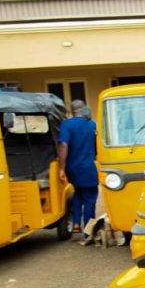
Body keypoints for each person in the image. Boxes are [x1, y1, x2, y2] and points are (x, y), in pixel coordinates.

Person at [58, 100, 98, 233]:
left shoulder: (66, 125)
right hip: (87, 168)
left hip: (72, 169)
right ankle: (88, 231)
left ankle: (76, 223)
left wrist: (62, 168)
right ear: (84, 108)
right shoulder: (92, 125)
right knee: (89, 199)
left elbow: (63, 145)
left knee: (78, 193)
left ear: (72, 111)